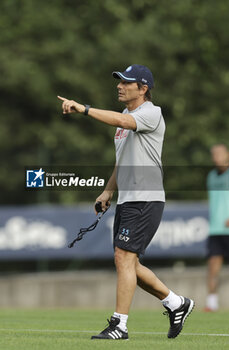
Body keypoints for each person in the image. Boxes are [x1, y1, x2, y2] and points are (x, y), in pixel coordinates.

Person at [58, 64, 194, 339]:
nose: (119, 86)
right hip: (128, 198)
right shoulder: (124, 114)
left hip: (146, 198)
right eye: (119, 81)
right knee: (127, 262)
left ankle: (119, 325)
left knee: (124, 257)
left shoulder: (151, 113)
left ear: (143, 89)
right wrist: (108, 191)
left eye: (126, 82)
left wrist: (84, 109)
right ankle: (176, 303)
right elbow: (122, 161)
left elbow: (122, 123)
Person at [205, 144, 229, 311]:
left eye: (220, 153)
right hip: (216, 229)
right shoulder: (211, 176)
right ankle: (212, 303)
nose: (217, 157)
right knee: (213, 266)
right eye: (214, 154)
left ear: (228, 154)